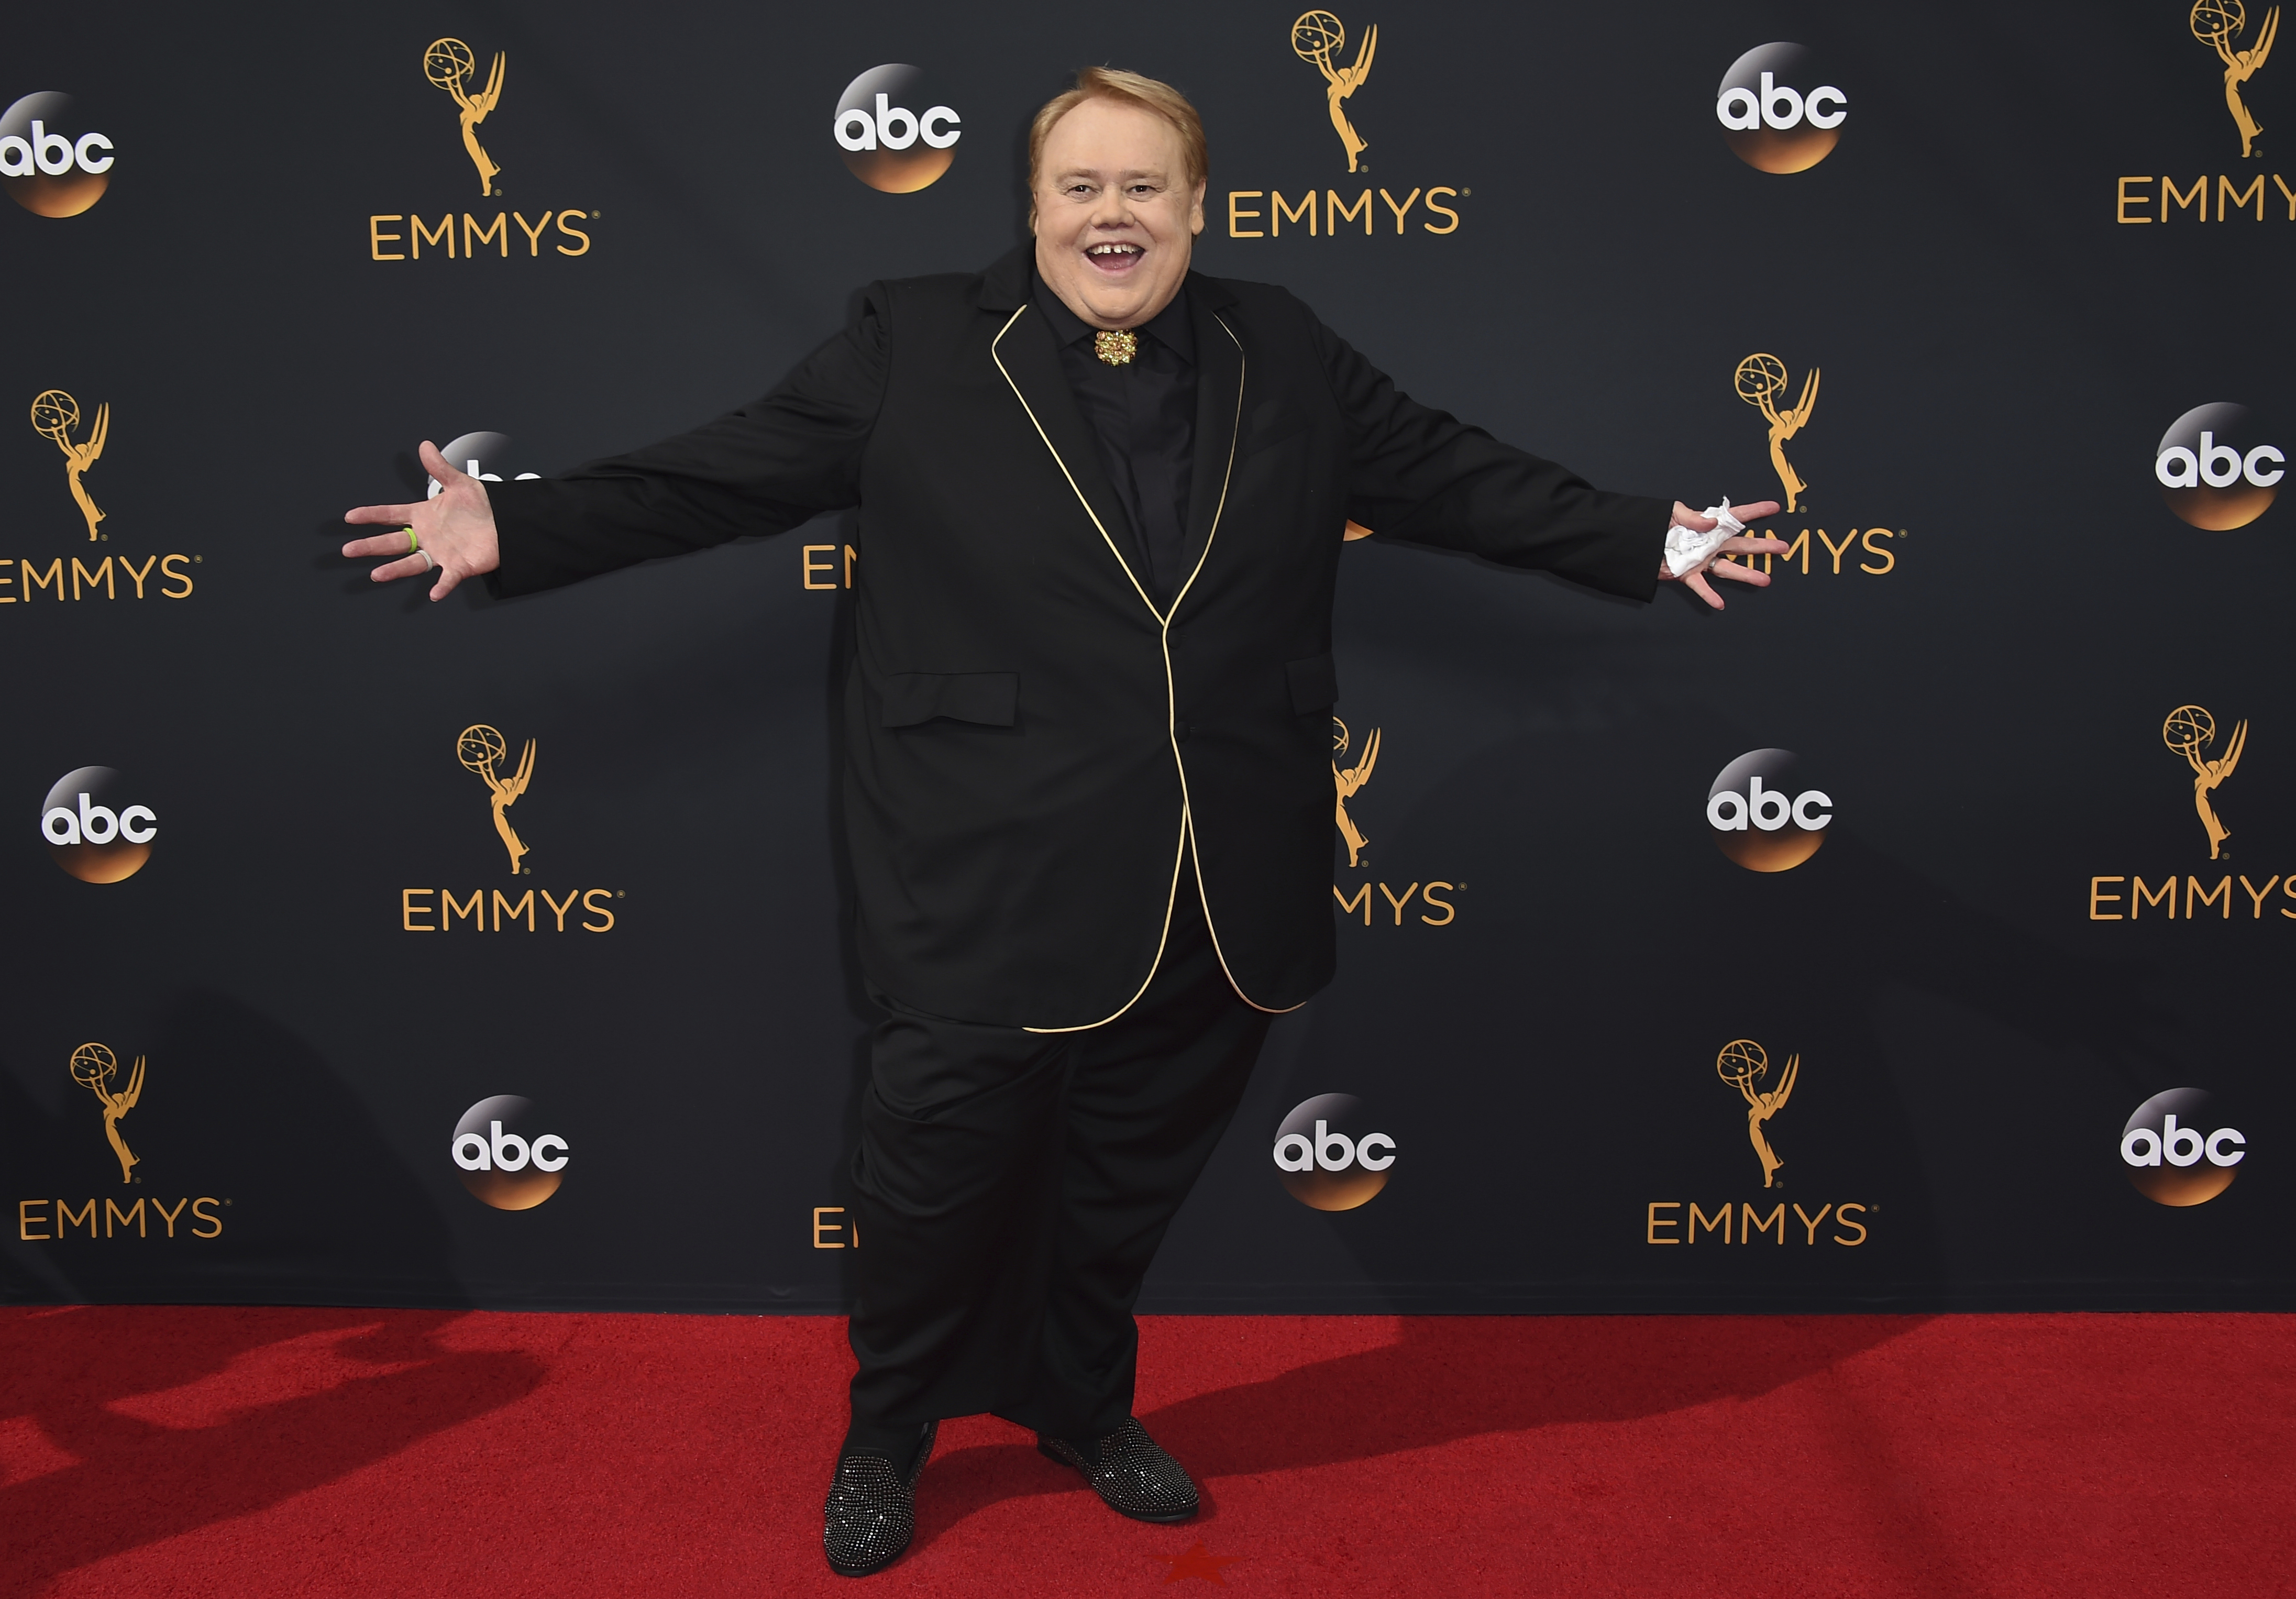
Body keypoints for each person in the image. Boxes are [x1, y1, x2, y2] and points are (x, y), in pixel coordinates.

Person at [343, 67, 1784, 1578]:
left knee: (1126, 1178)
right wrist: (521, 523)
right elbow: (725, 474)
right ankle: (889, 1433)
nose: (1114, 215)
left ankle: (1084, 1406)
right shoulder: (914, 339)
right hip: (990, 864)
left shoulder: (1277, 340)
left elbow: (1442, 469)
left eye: (1144, 187)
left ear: (1195, 208)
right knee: (932, 1183)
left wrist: (1645, 536)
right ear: (1031, 209)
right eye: (1082, 188)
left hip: (1224, 867)